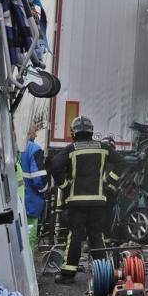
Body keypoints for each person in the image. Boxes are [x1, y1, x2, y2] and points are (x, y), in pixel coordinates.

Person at [49, 116, 122, 284]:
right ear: (91, 131)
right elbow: (122, 163)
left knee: (75, 235)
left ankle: (68, 275)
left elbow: (54, 166)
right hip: (98, 201)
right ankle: (103, 275)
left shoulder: (71, 149)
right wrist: (109, 180)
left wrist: (65, 185)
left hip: (77, 202)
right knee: (97, 235)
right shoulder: (103, 148)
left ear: (73, 133)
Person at [17, 123, 50, 250]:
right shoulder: (34, 149)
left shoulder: (11, 147)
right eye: (34, 131)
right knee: (28, 239)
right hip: (30, 202)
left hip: (14, 201)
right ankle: (27, 268)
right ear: (28, 132)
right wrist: (45, 189)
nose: (36, 134)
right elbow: (39, 179)